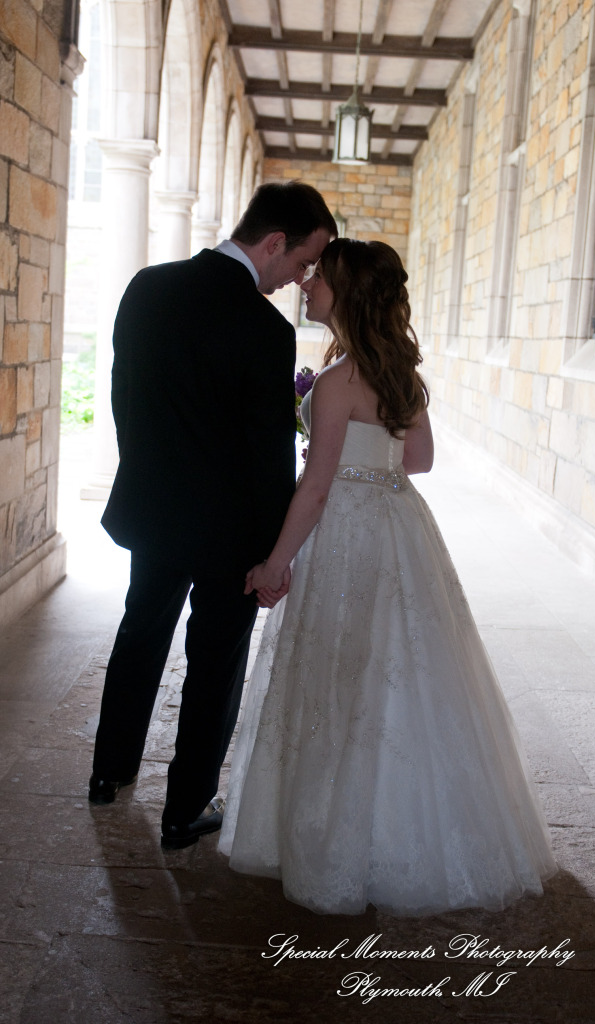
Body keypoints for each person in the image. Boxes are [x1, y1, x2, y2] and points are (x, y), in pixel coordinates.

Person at [218, 238, 557, 916]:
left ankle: (333, 841)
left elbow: (315, 489)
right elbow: (419, 460)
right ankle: (408, 835)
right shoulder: (397, 371)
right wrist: (368, 458)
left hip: (344, 533)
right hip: (398, 526)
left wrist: (274, 563)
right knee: (398, 674)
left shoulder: (337, 380)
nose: (306, 284)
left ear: (345, 294)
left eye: (319, 278)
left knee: (337, 678)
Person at [88, 181, 337, 851]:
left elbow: (122, 396)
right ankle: (185, 809)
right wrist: (272, 553)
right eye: (302, 262)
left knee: (140, 633)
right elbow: (266, 452)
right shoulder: (266, 329)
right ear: (274, 242)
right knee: (215, 661)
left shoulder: (149, 287)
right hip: (231, 531)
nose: (301, 278)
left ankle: (108, 772)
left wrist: (148, 476)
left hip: (155, 510)